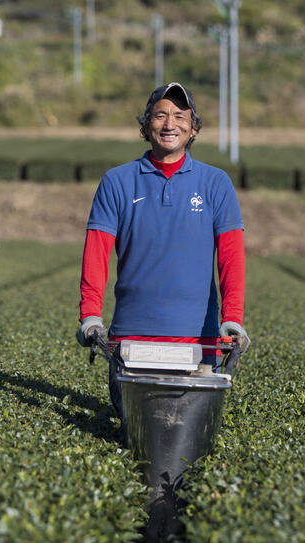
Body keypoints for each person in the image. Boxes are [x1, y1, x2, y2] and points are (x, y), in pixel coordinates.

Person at [76, 82, 249, 421]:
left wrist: (232, 319)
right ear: (146, 125)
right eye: (160, 115)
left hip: (199, 345)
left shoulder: (216, 184)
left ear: (193, 127)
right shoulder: (117, 182)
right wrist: (90, 316)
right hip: (130, 342)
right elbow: (96, 253)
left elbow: (232, 257)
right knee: (134, 437)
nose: (170, 124)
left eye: (180, 116)